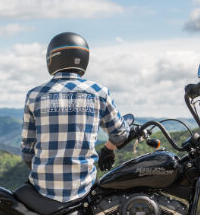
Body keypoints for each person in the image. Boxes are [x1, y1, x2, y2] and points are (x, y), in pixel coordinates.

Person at [20, 32, 137, 203]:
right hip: (84, 189)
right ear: (83, 58)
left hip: (41, 189)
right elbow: (120, 135)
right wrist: (108, 149)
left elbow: (28, 151)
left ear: (52, 58)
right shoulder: (99, 92)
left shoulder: (35, 95)